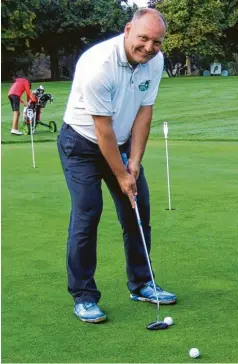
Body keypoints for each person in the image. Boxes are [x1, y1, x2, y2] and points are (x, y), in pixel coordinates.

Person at [58, 8, 176, 324]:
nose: (149, 47)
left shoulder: (155, 61)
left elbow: (144, 113)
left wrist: (134, 164)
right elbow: (102, 130)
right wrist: (122, 175)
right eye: (143, 38)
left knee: (138, 209)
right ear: (127, 30)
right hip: (81, 144)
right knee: (88, 212)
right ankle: (83, 296)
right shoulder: (98, 66)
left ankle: (141, 284)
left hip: (121, 142)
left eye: (157, 41)